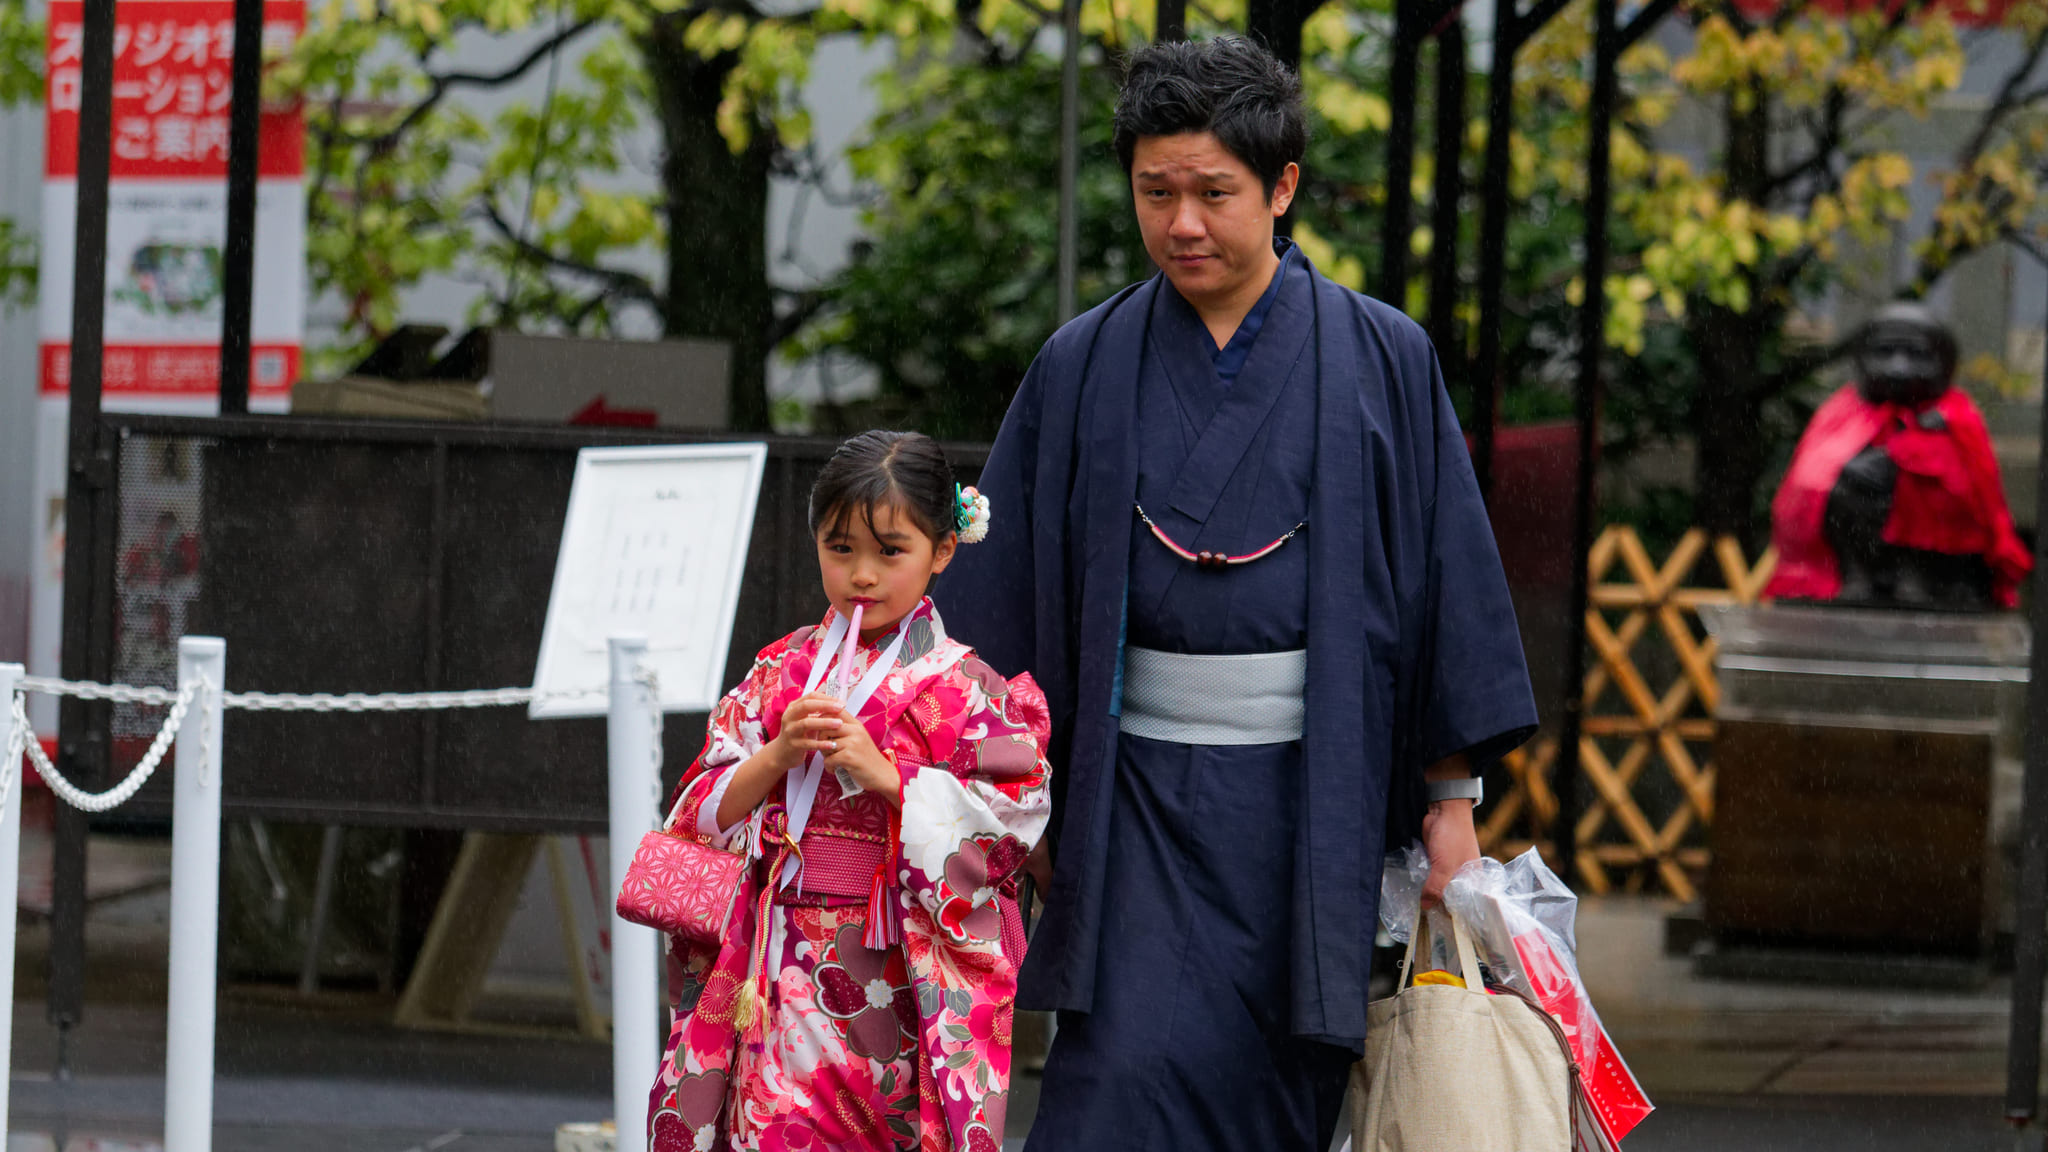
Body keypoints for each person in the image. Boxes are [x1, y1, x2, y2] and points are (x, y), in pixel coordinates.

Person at [940, 37, 1537, 1152]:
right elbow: (1000, 597)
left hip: (1309, 801)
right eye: (1154, 192)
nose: (1182, 224)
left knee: (1271, 1094)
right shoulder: (1081, 362)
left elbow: (1445, 581)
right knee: (1108, 1088)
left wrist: (1450, 802)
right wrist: (1012, 797)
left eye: (1213, 193)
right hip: (1127, 803)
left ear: (1282, 188)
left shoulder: (1381, 357)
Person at [647, 430, 1053, 1152]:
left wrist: (890, 777)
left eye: (890, 552)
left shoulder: (967, 690)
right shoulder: (780, 671)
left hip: (892, 973)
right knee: (772, 1125)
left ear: (944, 549)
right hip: (772, 962)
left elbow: (1012, 824)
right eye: (840, 549)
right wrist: (774, 755)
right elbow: (697, 808)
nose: (862, 574)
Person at [1764, 302, 2031, 611]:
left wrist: (1914, 462)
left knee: (1926, 493)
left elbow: (1977, 491)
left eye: (1916, 355)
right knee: (1841, 495)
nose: (1899, 367)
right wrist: (1853, 471)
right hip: (1861, 535)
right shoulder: (1842, 412)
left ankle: (1919, 579)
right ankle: (1858, 576)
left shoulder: (1955, 415)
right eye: (1885, 353)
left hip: (1939, 554)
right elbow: (1812, 479)